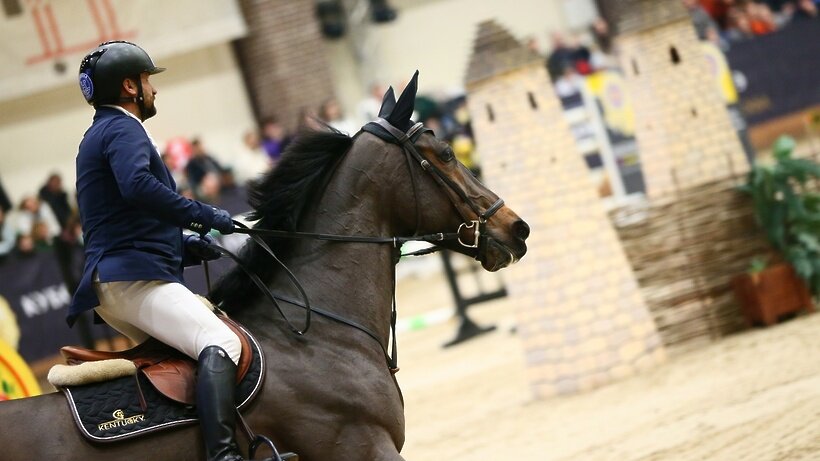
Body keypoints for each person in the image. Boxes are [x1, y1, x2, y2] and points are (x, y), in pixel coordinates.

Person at [72, 41, 248, 461]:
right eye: (148, 80)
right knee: (222, 343)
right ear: (130, 86)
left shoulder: (102, 133)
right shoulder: (121, 128)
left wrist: (186, 247)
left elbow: (121, 217)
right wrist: (204, 215)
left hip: (125, 275)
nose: (154, 89)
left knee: (186, 357)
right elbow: (137, 187)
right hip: (133, 280)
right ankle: (223, 456)